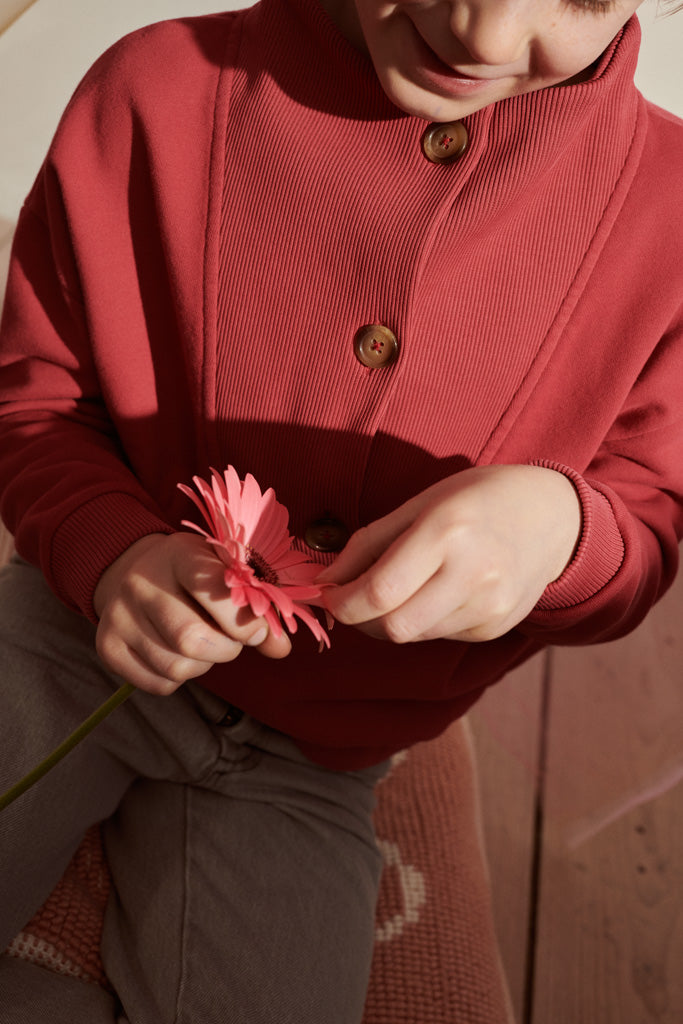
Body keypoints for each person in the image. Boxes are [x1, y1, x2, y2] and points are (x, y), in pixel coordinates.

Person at [0, 0, 681, 1019]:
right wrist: (110, 555)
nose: (483, 37)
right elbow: (37, 398)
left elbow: (648, 517)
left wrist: (559, 530)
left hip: (315, 765)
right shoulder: (154, 89)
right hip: (66, 640)